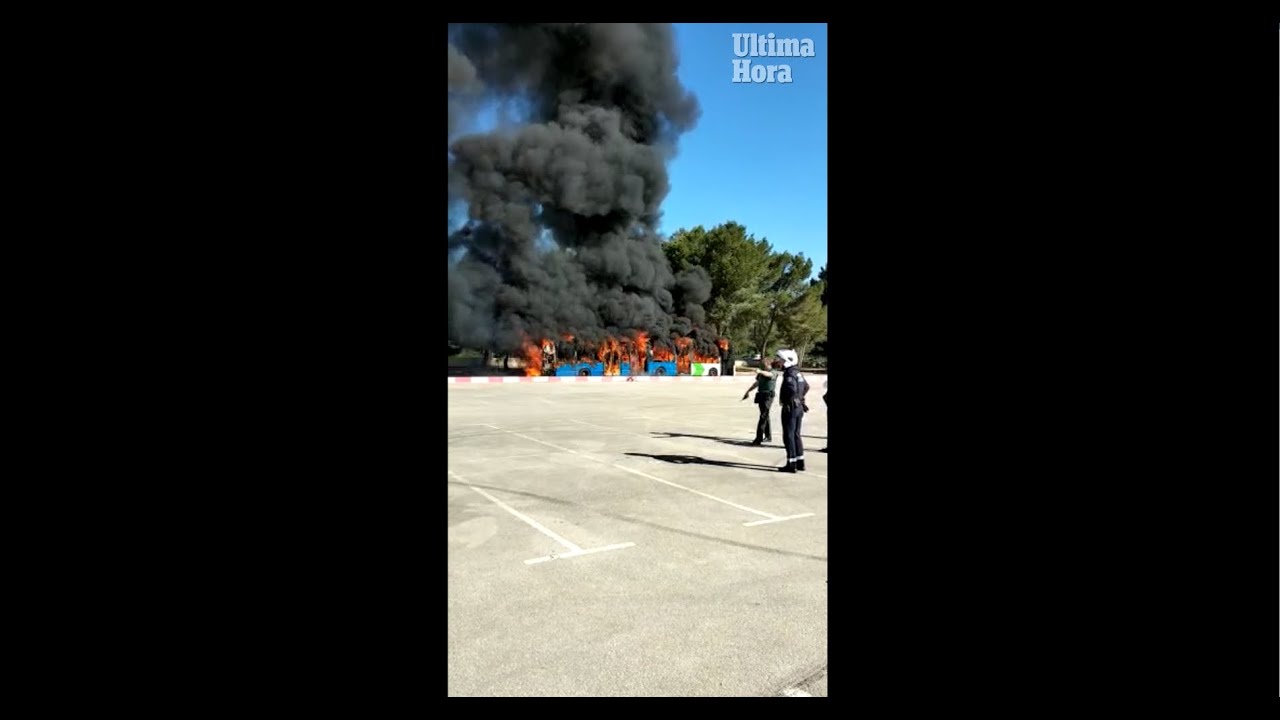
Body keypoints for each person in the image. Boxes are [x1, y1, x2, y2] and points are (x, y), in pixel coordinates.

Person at [776, 349, 810, 472]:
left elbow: (791, 389)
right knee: (796, 435)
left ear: (787, 361)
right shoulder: (798, 372)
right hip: (799, 407)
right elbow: (806, 386)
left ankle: (791, 464)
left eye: (780, 359)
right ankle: (800, 462)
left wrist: (790, 400)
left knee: (789, 435)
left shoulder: (789, 374)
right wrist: (800, 398)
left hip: (791, 408)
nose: (778, 362)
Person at [741, 358, 782, 445]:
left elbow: (769, 375)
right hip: (761, 395)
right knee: (765, 416)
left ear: (769, 364)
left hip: (768, 396)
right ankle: (768, 436)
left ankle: (758, 438)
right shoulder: (762, 372)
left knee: (763, 416)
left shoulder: (773, 371)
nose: (763, 366)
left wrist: (760, 371)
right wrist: (748, 391)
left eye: (764, 365)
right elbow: (757, 383)